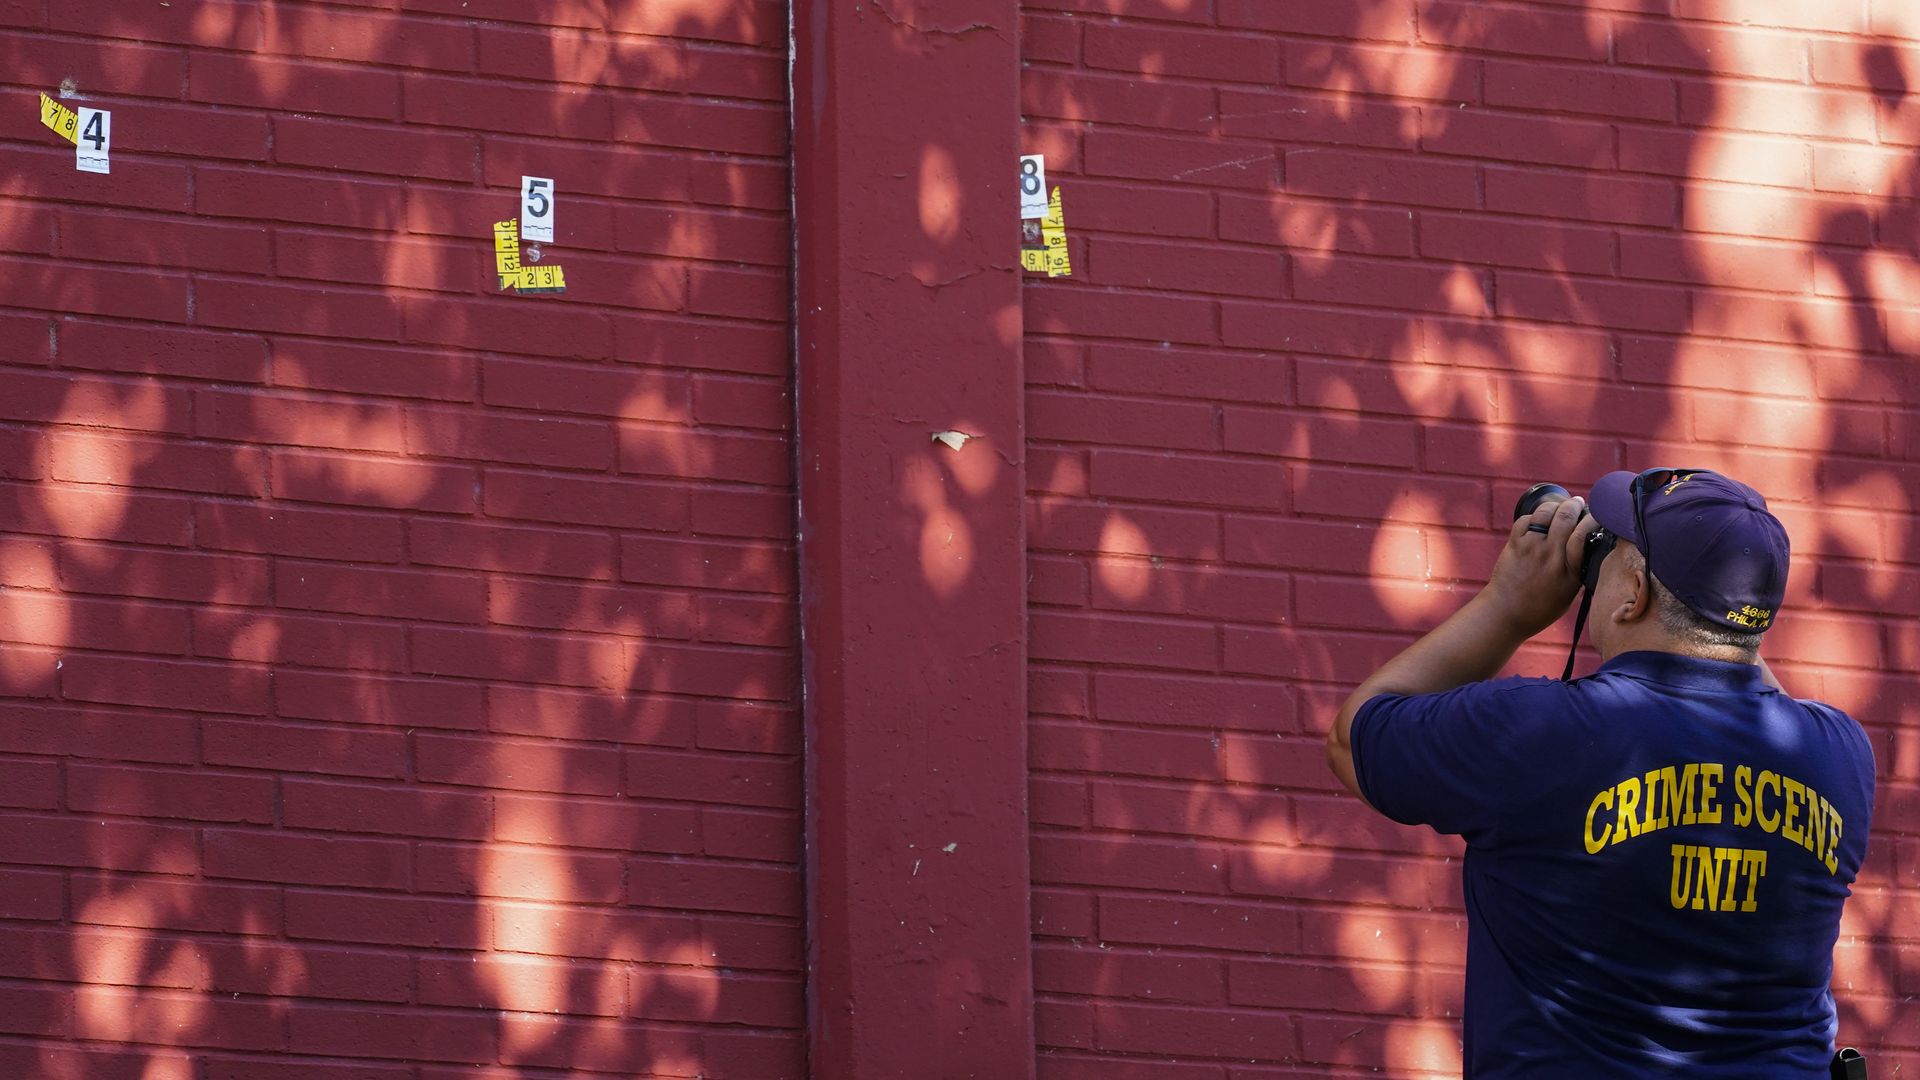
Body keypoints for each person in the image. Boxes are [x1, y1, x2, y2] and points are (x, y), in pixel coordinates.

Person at [1323, 469, 1877, 1078]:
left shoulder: (1536, 733)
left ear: (1634, 590)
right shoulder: (1841, 757)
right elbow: (1738, 681)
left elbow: (1355, 740)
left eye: (1609, 547)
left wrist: (1510, 604)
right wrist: (1726, 621)